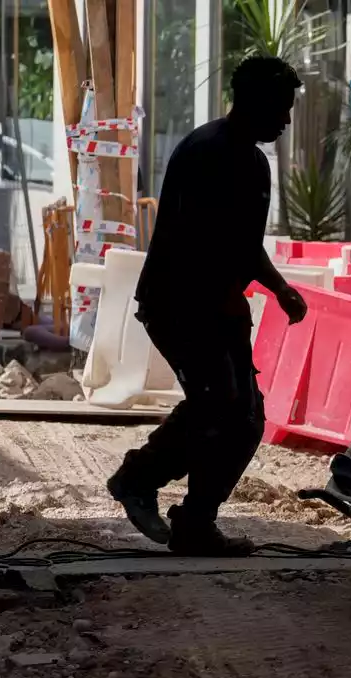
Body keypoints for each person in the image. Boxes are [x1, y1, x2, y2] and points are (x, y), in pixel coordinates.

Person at [106, 55, 310, 557]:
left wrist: (278, 288)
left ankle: (196, 523)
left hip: (218, 306)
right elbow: (198, 241)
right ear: (255, 101)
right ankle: (137, 479)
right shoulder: (209, 153)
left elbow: (242, 242)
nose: (286, 121)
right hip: (180, 304)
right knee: (219, 405)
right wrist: (233, 299)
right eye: (281, 109)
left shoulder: (251, 160)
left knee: (245, 418)